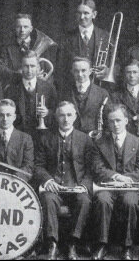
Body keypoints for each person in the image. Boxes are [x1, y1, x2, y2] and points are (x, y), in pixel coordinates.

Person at [32, 101, 94, 260]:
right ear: (56, 117)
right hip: (55, 188)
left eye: (69, 115)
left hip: (76, 188)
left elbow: (90, 169)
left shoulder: (85, 139)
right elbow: (38, 166)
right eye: (61, 115)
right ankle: (52, 244)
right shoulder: (46, 137)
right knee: (47, 199)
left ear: (75, 116)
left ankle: (72, 243)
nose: (65, 119)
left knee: (84, 201)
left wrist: (84, 186)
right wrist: (47, 181)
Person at [91, 103, 139, 260]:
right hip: (107, 186)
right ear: (107, 123)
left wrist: (127, 179)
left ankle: (127, 247)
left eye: (118, 120)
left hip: (130, 187)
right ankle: (102, 245)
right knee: (102, 200)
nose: (115, 125)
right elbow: (97, 168)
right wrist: (116, 177)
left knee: (130, 202)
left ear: (126, 121)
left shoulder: (138, 142)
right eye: (111, 121)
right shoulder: (99, 142)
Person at [56, 0, 118, 93]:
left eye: (86, 13)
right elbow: (60, 68)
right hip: (73, 90)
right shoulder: (66, 38)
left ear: (94, 14)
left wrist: (108, 71)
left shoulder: (106, 36)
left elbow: (117, 63)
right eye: (79, 13)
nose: (82, 17)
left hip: (99, 89)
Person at [5, 50, 58, 138]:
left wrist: (47, 112)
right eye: (26, 66)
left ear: (38, 67)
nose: (29, 70)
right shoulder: (11, 89)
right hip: (19, 135)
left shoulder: (49, 88)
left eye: (32, 66)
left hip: (42, 136)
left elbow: (56, 111)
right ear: (21, 67)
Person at [0, 99, 34, 181]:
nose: (5, 119)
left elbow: (28, 166)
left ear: (14, 117)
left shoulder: (25, 139)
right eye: (1, 115)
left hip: (18, 184)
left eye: (8, 115)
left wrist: (12, 180)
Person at [0, 13, 57, 84]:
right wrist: (19, 75)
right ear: (15, 28)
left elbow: (49, 72)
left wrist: (44, 80)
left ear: (31, 29)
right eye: (19, 27)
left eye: (25, 27)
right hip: (15, 87)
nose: (22, 30)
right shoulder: (6, 47)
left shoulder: (42, 46)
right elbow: (0, 69)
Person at [59, 57, 110, 134]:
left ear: (90, 71)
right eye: (76, 71)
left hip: (94, 139)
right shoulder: (64, 92)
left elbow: (108, 119)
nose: (80, 74)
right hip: (72, 137)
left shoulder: (102, 93)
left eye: (83, 70)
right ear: (72, 72)